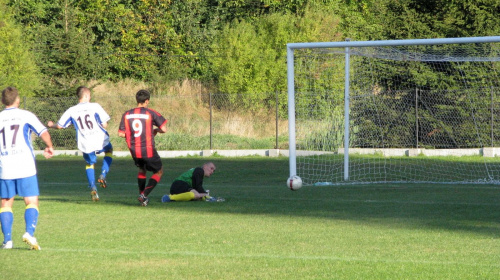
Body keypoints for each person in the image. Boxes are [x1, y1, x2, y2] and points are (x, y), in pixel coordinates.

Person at [0, 87, 54, 250]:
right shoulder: (26, 115)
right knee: (31, 200)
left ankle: (7, 240)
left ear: (3, 101)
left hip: (5, 165)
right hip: (25, 164)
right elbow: (43, 132)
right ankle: (29, 233)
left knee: (5, 203)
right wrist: (49, 146)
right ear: (17, 100)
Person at [47, 86, 113, 201]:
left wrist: (51, 125)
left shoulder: (72, 110)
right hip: (99, 138)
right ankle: (103, 173)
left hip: (85, 142)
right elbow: (105, 124)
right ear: (87, 96)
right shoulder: (95, 106)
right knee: (109, 150)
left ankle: (93, 187)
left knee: (89, 163)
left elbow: (60, 126)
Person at [118, 89, 167, 206]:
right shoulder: (150, 113)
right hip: (147, 148)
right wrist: (155, 130)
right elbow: (164, 129)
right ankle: (144, 195)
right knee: (159, 171)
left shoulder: (127, 114)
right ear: (147, 101)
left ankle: (142, 197)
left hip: (134, 150)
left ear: (136, 100)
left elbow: (120, 133)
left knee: (142, 170)